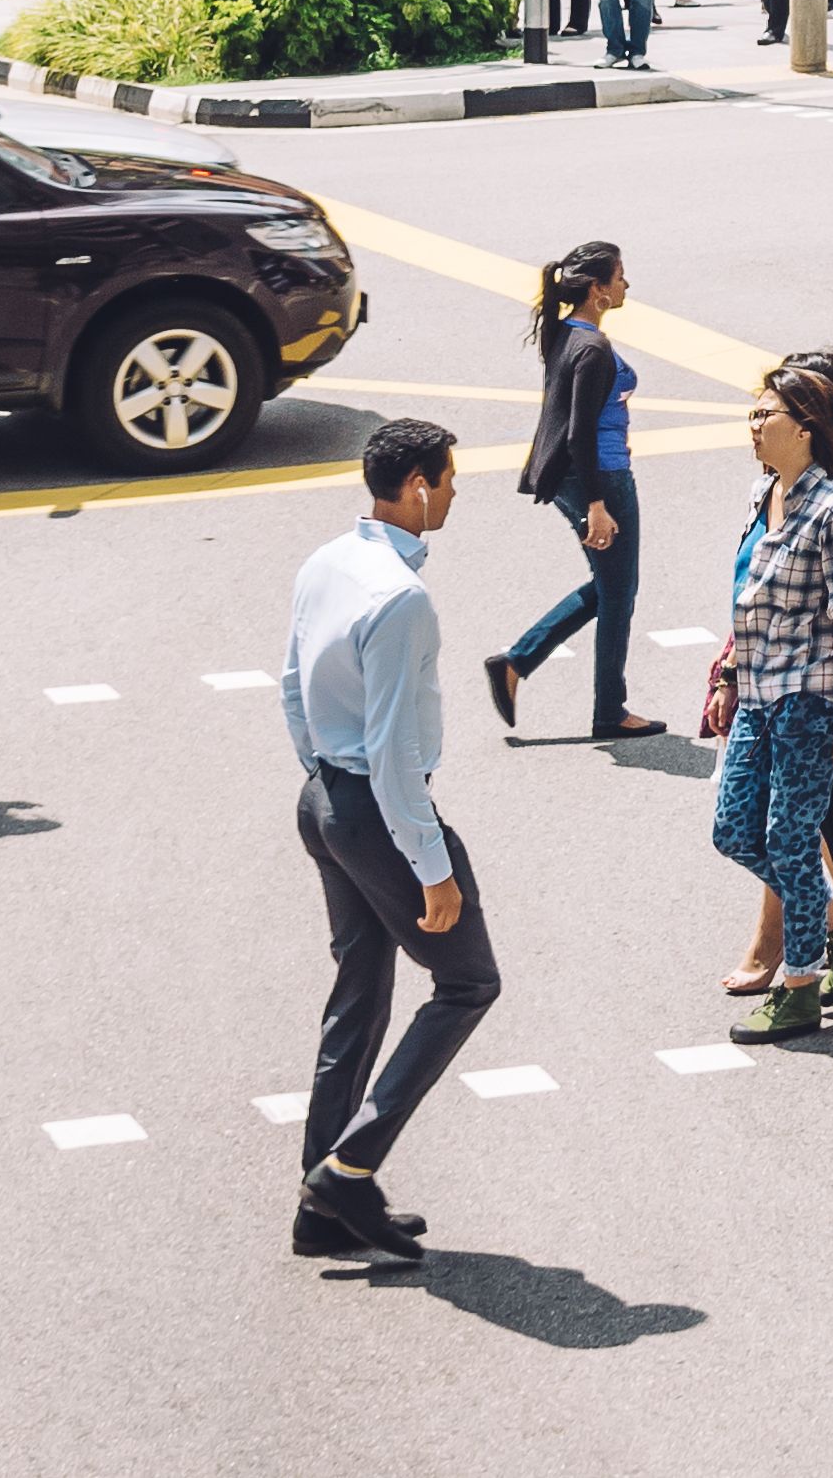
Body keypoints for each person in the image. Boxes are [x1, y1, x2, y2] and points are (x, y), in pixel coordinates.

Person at [284, 417, 497, 1261]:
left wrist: (322, 783)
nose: (452, 493)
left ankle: (318, 1209)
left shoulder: (325, 562)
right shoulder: (402, 598)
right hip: (378, 811)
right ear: (416, 484)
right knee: (468, 981)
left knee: (360, 992)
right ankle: (349, 1167)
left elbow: (292, 689)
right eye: (448, 479)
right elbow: (395, 755)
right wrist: (432, 865)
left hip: (324, 799)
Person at [710, 363, 833, 1042]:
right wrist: (726, 672)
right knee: (733, 828)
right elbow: (745, 594)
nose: (753, 425)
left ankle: (801, 986)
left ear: (805, 426)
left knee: (788, 837)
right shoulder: (763, 493)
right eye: (753, 414)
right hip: (757, 693)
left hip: (809, 703)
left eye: (765, 415)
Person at [487, 242, 664, 741]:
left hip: (570, 476)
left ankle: (516, 663)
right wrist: (597, 506)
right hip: (600, 477)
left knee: (611, 587)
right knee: (619, 593)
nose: (627, 285)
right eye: (621, 278)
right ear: (599, 291)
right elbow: (579, 432)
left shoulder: (564, 334)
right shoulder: (593, 349)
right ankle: (608, 709)